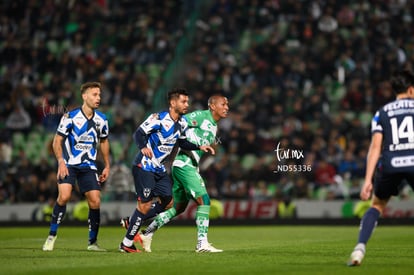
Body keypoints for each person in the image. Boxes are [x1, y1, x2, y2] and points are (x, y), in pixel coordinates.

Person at [119, 88, 215, 253]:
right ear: (172, 103)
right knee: (144, 205)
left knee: (169, 201)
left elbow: (183, 143)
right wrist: (143, 147)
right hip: (144, 166)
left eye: (187, 101)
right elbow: (139, 134)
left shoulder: (181, 123)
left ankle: (133, 220)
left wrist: (199, 146)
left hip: (159, 168)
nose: (187, 104)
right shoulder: (158, 118)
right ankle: (126, 244)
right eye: (183, 101)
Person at [348, 69, 414, 266]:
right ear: (411, 90)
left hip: (391, 163)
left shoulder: (382, 113)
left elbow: (375, 147)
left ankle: (359, 249)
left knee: (376, 205)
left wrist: (367, 180)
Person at [42, 82, 110, 252]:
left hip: (88, 166)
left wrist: (107, 165)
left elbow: (104, 141)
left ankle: (92, 242)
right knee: (64, 196)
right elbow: (57, 141)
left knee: (95, 201)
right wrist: (60, 162)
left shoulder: (102, 119)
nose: (98, 98)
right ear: (84, 96)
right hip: (69, 164)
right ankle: (52, 236)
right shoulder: (70, 117)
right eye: (94, 94)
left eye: (99, 95)